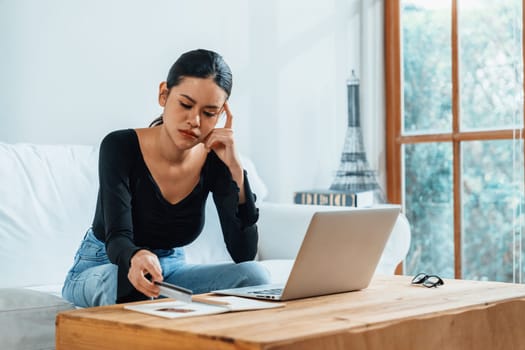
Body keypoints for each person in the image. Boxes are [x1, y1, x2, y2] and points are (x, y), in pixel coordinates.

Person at [62, 49, 270, 307]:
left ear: (221, 115)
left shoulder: (216, 160)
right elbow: (117, 238)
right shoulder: (120, 146)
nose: (194, 121)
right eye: (185, 104)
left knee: (255, 276)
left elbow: (244, 254)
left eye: (209, 113)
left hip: (168, 271)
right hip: (106, 265)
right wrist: (136, 257)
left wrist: (236, 171)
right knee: (118, 284)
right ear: (164, 94)